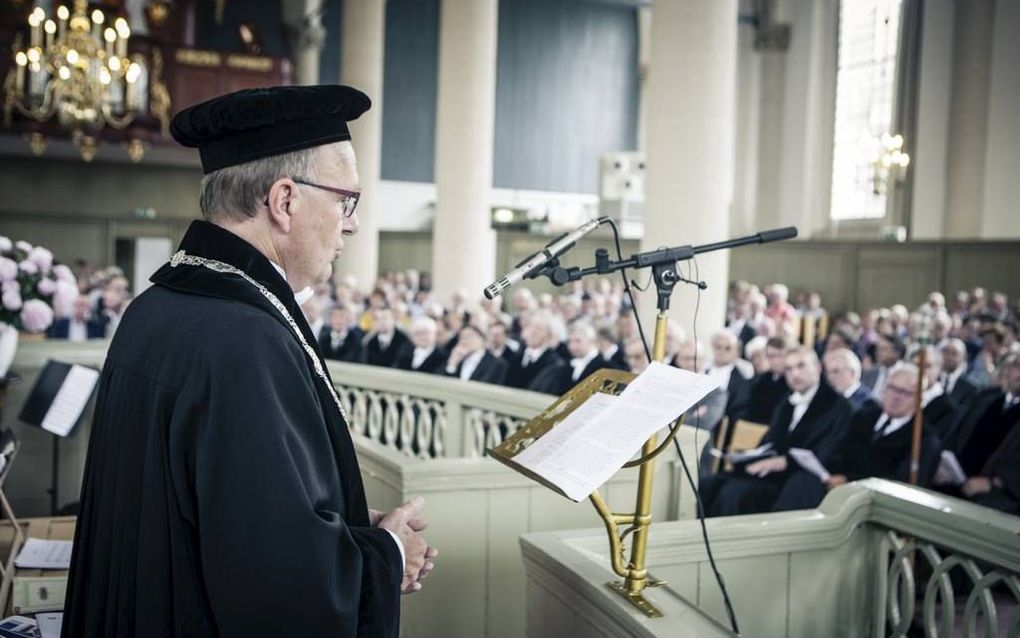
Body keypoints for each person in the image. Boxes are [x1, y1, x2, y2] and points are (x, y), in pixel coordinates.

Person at [63, 86, 435, 638]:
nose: (351, 225)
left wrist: (355, 524)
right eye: (345, 201)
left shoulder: (156, 307)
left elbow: (217, 506)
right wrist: (389, 553)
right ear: (284, 201)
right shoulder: (246, 340)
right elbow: (280, 587)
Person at [700, 346, 853, 516]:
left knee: (735, 493)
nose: (794, 374)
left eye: (801, 366)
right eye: (788, 369)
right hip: (775, 473)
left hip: (801, 480)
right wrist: (751, 456)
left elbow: (828, 451)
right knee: (711, 485)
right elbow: (769, 442)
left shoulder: (837, 406)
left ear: (817, 368)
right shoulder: (786, 402)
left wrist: (785, 461)